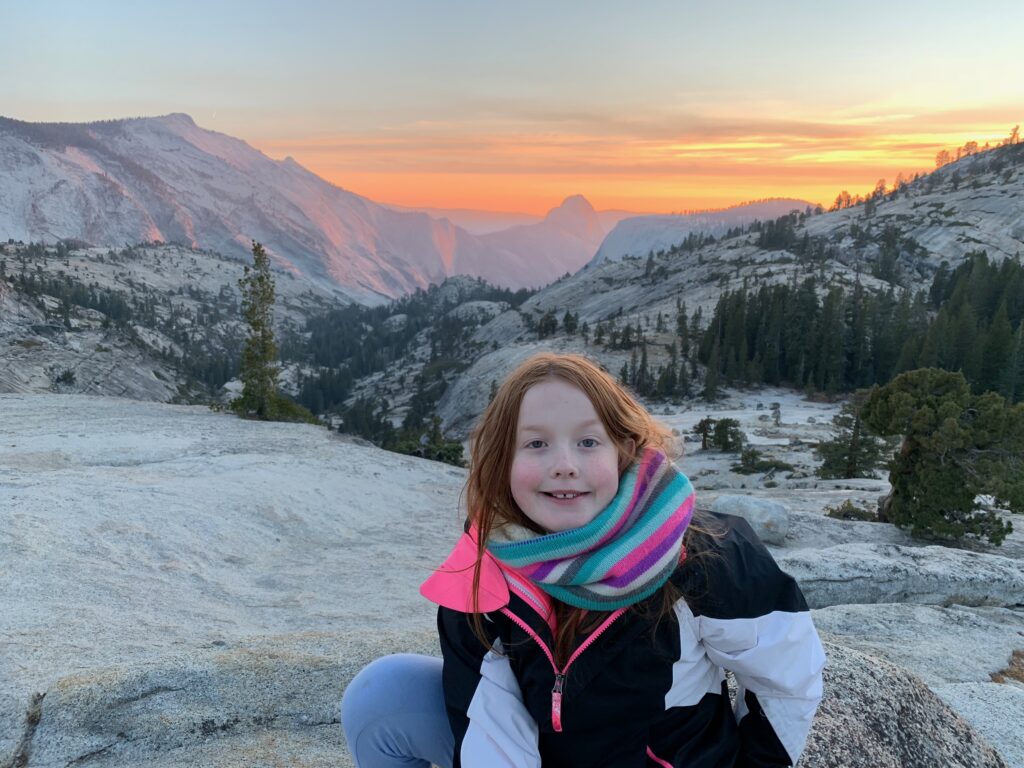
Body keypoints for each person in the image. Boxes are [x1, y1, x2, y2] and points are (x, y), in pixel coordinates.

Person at [342, 352, 825, 767]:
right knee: (385, 695)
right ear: (502, 460)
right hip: (539, 753)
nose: (564, 463)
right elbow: (490, 721)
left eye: (588, 442)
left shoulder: (702, 556)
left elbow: (787, 679)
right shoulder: (483, 572)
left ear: (625, 449)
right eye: (536, 443)